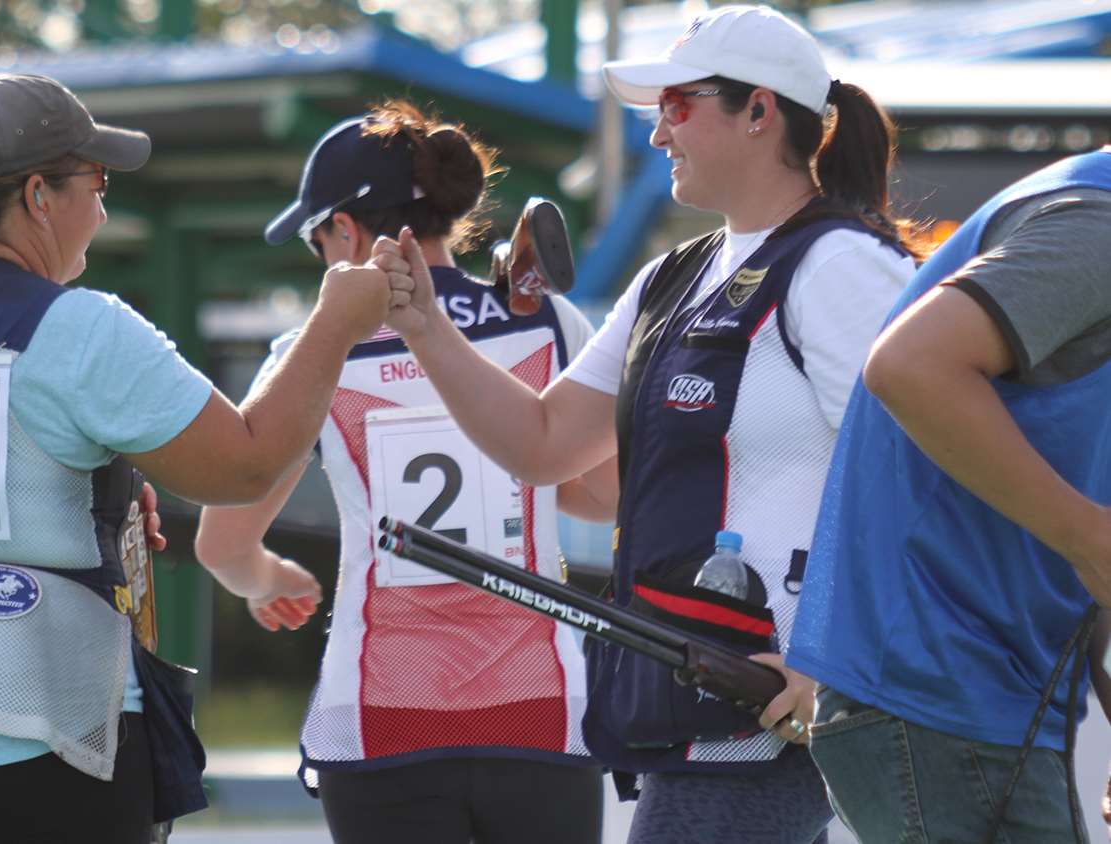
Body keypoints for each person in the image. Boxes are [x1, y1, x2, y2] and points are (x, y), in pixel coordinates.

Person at [0, 72, 390, 844]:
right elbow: (246, 467)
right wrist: (335, 324)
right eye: (95, 183)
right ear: (37, 196)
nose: (101, 206)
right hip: (22, 722)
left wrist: (103, 483)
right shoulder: (73, 323)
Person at [373, 5, 927, 842]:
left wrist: (828, 656)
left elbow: (916, 476)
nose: (658, 133)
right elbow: (544, 442)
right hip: (703, 702)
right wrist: (424, 327)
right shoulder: (673, 275)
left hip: (781, 710)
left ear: (758, 112)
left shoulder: (842, 264)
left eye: (677, 106)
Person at [193, 101, 611, 844]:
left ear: (346, 232)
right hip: (543, 712)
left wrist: (266, 577)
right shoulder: (547, 320)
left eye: (316, 238)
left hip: (380, 718)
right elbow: (599, 495)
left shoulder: (310, 348)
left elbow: (222, 543)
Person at [785, 145, 1111, 842]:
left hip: (971, 706)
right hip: (941, 696)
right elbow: (909, 366)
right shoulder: (1101, 228)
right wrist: (1086, 536)